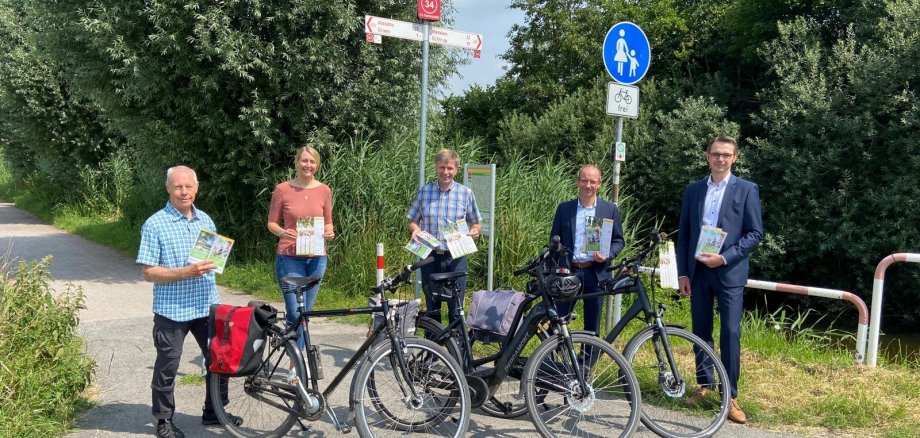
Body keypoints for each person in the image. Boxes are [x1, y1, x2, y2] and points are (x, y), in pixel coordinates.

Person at [136, 165, 239, 438]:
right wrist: (187, 272)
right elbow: (148, 273)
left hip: (206, 304)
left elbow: (215, 262)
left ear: (196, 188)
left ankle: (214, 412)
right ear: (168, 188)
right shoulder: (154, 224)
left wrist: (216, 262)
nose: (184, 192)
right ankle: (163, 420)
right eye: (178, 187)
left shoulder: (205, 220)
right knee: (168, 367)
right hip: (172, 309)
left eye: (188, 186)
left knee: (218, 361)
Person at [677, 135, 764, 424]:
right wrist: (683, 272)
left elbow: (755, 234)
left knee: (730, 332)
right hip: (698, 271)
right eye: (716, 154)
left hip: (728, 271)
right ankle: (705, 384)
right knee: (701, 330)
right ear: (707, 156)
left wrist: (725, 258)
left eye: (726, 155)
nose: (720, 159)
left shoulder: (747, 189)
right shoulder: (693, 190)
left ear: (735, 158)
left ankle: (731, 395)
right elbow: (685, 234)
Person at [267, 145, 334, 353]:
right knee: (295, 313)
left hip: (316, 258)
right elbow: (271, 223)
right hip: (289, 258)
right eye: (304, 161)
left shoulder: (324, 190)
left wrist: (329, 232)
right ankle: (294, 359)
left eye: (312, 161)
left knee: (306, 313)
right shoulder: (282, 189)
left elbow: (328, 223)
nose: (308, 165)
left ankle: (296, 365)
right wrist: (282, 233)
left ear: (317, 165)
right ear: (297, 162)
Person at [549, 164, 625, 336]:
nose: (588, 185)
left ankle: (587, 361)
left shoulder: (609, 209)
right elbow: (553, 241)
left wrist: (607, 255)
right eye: (584, 180)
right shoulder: (564, 209)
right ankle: (551, 359)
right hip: (568, 273)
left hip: (596, 272)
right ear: (578, 182)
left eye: (592, 181)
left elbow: (619, 241)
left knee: (592, 324)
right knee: (559, 321)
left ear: (599, 184)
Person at [407, 148, 482, 324]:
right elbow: (412, 219)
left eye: (449, 168)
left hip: (456, 257)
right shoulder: (425, 192)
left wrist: (475, 231)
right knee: (432, 306)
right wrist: (415, 229)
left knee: (456, 307)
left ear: (456, 169)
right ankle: (432, 349)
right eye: (442, 167)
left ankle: (456, 348)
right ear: (436, 167)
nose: (445, 172)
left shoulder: (465, 193)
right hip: (430, 257)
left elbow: (476, 222)